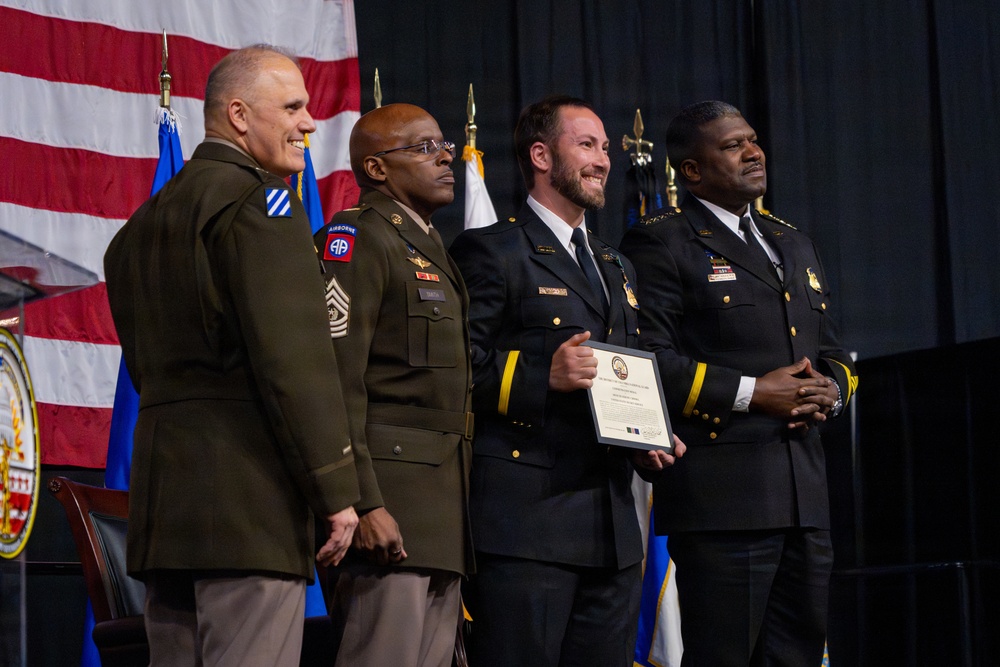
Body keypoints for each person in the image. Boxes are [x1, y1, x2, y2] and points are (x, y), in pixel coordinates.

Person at [103, 45, 360, 666]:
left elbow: (145, 372)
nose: (309, 122)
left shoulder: (135, 231)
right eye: (293, 107)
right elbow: (294, 366)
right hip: (250, 514)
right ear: (239, 115)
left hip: (168, 518)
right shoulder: (262, 208)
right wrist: (335, 491)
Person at [618, 100, 859, 666]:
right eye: (733, 145)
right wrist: (755, 392)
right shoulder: (662, 241)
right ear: (692, 170)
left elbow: (831, 351)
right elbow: (646, 358)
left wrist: (831, 388)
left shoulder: (791, 241)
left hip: (806, 497)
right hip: (725, 504)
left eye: (753, 140)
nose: (754, 152)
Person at [450, 95, 685, 667]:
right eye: (586, 145)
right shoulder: (492, 250)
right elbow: (456, 370)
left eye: (605, 148)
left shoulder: (615, 265)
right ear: (539, 154)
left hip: (611, 530)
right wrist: (541, 375)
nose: (604, 159)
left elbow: (625, 366)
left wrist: (649, 433)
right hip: (528, 527)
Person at [313, 103, 473, 667]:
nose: (446, 156)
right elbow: (336, 378)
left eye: (443, 143)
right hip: (389, 507)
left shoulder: (427, 245)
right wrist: (364, 501)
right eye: (424, 147)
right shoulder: (356, 237)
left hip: (441, 511)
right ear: (377, 169)